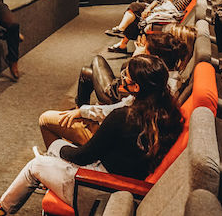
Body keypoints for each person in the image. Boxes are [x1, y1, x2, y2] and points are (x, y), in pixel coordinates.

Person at [0, 55, 184, 215]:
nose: (122, 78)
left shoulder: (123, 117)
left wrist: (58, 149)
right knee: (52, 155)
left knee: (35, 164)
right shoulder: (169, 113)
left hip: (99, 186)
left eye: (127, 76)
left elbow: (83, 156)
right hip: (126, 180)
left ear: (136, 88)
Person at [39, 26, 194, 148]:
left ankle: (51, 160)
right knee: (87, 74)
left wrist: (84, 112)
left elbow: (118, 110)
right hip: (116, 127)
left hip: (112, 137)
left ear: (155, 59)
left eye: (145, 53)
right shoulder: (167, 83)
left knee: (46, 119)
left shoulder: (153, 90)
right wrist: (84, 111)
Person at [107, 0, 192, 53]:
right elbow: (157, 0)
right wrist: (148, 8)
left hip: (161, 15)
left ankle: (122, 40)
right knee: (134, 6)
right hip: (154, 9)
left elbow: (169, 9)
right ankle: (121, 31)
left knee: (136, 19)